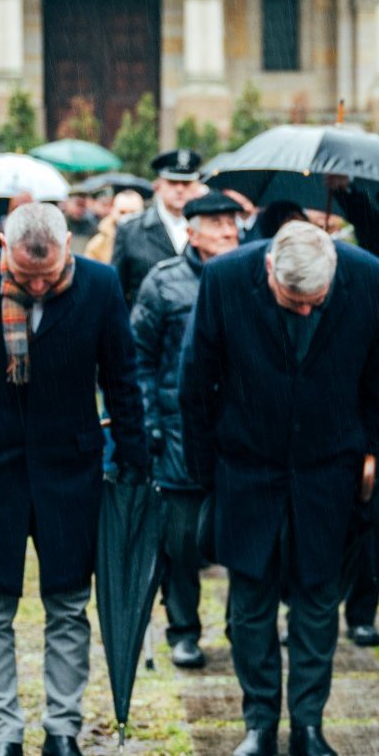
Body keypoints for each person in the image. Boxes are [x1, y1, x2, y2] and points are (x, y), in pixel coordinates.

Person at [0, 203, 148, 756]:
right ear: (4, 245)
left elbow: (121, 376)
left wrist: (133, 460)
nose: (40, 286)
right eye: (26, 277)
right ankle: (4, 736)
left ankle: (63, 732)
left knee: (69, 606)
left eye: (49, 276)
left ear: (68, 244)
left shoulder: (99, 284)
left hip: (70, 467)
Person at [179, 221, 379, 756]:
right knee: (249, 607)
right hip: (247, 468)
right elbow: (194, 383)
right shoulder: (225, 278)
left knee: (318, 604)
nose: (303, 312)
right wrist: (208, 475)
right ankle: (258, 721)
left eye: (315, 303)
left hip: (331, 473)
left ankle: (308, 723)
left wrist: (378, 472)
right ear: (269, 270)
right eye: (291, 301)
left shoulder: (369, 280)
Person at [131, 192, 245, 670]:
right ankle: (183, 628)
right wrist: (150, 425)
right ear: (192, 231)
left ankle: (242, 624)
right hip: (178, 430)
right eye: (215, 224)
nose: (227, 231)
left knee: (242, 532)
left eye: (231, 223)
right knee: (180, 540)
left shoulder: (251, 277)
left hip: (237, 428)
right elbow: (138, 358)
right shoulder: (163, 284)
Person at [112, 149, 203, 306]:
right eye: (172, 182)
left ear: (196, 187)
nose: (180, 189)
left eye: (186, 183)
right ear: (158, 185)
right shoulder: (130, 230)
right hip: (145, 324)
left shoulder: (207, 230)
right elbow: (116, 290)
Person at [85, 190, 146, 264]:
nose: (127, 217)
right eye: (122, 212)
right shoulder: (98, 244)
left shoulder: (152, 241)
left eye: (132, 213)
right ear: (113, 211)